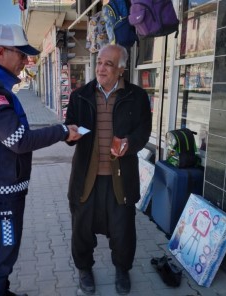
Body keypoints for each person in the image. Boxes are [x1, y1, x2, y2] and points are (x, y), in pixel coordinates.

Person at [0, 24, 81, 296]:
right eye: (21, 54)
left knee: (5, 251)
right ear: (1, 52)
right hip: (1, 194)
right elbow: (19, 140)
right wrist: (62, 131)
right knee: (2, 256)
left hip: (4, 190)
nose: (26, 61)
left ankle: (0, 291)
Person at [64, 44, 152, 295]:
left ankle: (122, 269)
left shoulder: (136, 96)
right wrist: (69, 135)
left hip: (120, 177)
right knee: (81, 228)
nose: (101, 68)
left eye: (108, 64)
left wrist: (130, 143)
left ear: (121, 69)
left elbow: (143, 131)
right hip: (86, 177)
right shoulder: (79, 95)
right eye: (99, 62)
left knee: (123, 229)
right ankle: (84, 268)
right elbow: (69, 127)